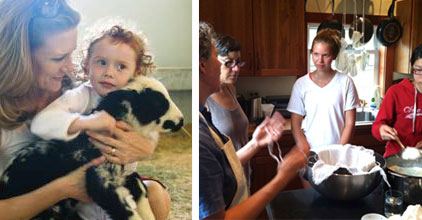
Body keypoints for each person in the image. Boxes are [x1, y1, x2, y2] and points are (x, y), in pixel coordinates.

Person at [0, 1, 168, 219]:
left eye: (71, 54)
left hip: (84, 190)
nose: (71, 67)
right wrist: (65, 188)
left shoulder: (73, 88)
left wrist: (143, 146)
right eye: (58, 58)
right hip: (31, 204)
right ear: (20, 58)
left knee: (156, 195)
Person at [199, 21, 308, 220]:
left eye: (238, 62)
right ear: (203, 65)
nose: (235, 68)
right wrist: (282, 177)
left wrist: (256, 142)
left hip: (241, 180)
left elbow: (224, 161)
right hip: (226, 191)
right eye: (224, 60)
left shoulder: (227, 93)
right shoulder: (202, 127)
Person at [287, 28, 359, 152]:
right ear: (311, 53)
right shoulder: (301, 84)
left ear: (334, 56)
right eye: (316, 54)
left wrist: (339, 153)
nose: (319, 60)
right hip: (311, 152)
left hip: (338, 153)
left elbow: (350, 124)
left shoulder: (346, 82)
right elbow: (295, 125)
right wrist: (306, 151)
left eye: (325, 55)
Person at [205, 34, 251, 190]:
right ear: (214, 63)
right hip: (226, 181)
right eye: (228, 63)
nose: (236, 69)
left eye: (238, 62)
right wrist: (257, 143)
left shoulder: (231, 89)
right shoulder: (205, 100)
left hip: (244, 173)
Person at [372, 45, 422, 157]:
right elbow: (377, 126)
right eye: (419, 70)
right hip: (396, 159)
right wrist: (381, 129)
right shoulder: (396, 92)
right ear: (412, 69)